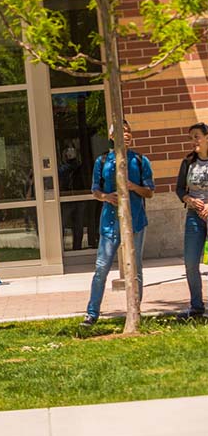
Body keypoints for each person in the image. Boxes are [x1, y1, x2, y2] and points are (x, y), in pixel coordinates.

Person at [81, 121, 153, 326]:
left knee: (136, 268)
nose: (127, 135)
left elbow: (149, 191)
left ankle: (135, 311)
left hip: (136, 221)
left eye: (129, 131)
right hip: (110, 223)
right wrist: (105, 196)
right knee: (101, 267)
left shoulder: (140, 160)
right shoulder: (103, 161)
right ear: (112, 137)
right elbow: (95, 190)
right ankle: (92, 313)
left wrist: (133, 187)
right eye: (122, 132)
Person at [177, 122, 208, 320]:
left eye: (196, 136)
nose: (194, 141)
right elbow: (180, 189)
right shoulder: (188, 162)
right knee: (190, 262)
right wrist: (188, 199)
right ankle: (196, 306)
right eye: (191, 137)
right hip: (194, 217)